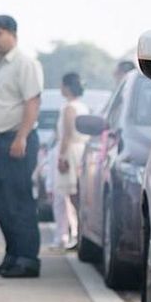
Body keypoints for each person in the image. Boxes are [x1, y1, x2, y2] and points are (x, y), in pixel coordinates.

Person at [0, 14, 44, 278]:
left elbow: (32, 101)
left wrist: (22, 137)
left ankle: (27, 259)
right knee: (0, 202)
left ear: (13, 35)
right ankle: (12, 255)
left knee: (19, 201)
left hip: (15, 140)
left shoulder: (24, 63)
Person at [50, 72, 87, 251]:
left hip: (71, 152)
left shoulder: (69, 108)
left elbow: (67, 135)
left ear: (66, 87)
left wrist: (62, 157)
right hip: (79, 151)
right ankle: (78, 234)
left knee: (73, 197)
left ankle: (78, 234)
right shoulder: (82, 107)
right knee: (75, 197)